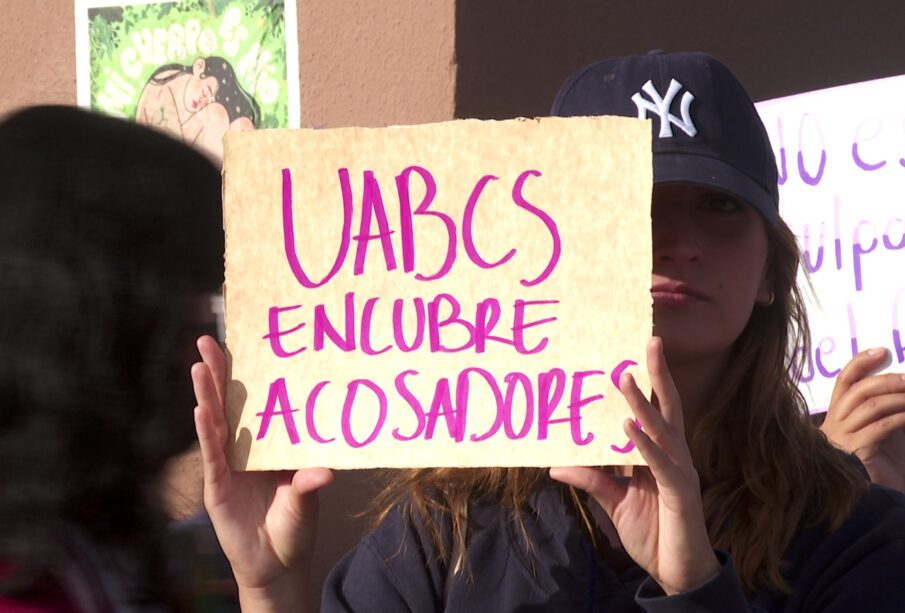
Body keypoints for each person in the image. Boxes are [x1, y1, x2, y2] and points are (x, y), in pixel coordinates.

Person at [191, 52, 905, 611]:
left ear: (771, 271)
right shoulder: (450, 522)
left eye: (719, 205)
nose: (679, 241)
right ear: (551, 244)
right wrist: (270, 589)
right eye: (638, 200)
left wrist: (694, 586)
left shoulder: (858, 533)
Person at [0, 105, 226, 611]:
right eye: (188, 293)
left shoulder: (95, 539)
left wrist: (268, 582)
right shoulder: (26, 589)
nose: (207, 331)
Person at [135, 56, 259, 161]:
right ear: (199, 67)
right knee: (218, 113)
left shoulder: (194, 105)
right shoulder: (166, 87)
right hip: (157, 165)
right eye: (206, 92)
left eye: (209, 101)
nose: (203, 102)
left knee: (242, 124)